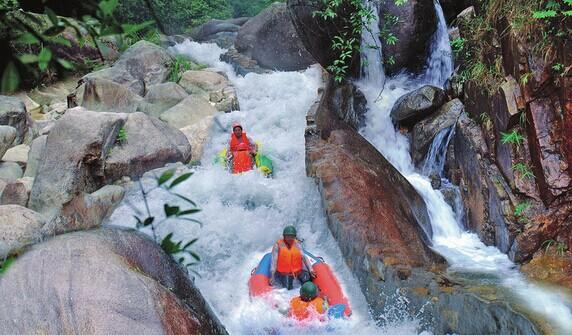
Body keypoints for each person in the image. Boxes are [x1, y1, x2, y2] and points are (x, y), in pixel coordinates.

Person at [270, 226, 316, 290]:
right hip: (286, 273)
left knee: (308, 282)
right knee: (288, 289)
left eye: (292, 236)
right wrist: (272, 276)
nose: (290, 238)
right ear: (284, 236)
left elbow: (304, 257)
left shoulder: (297, 244)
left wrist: (311, 270)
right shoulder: (278, 245)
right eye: (288, 236)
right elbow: (274, 260)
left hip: (298, 271)